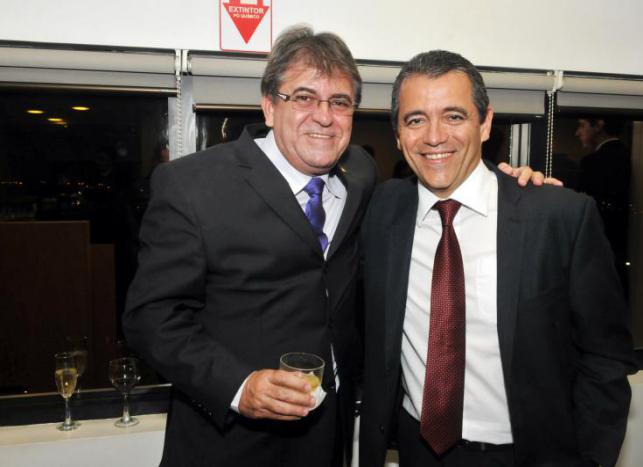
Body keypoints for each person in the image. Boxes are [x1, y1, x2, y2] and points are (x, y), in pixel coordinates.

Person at [123, 26, 547, 467]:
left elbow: (448, 179)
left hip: (330, 436)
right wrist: (239, 386)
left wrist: (511, 185)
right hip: (228, 445)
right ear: (269, 105)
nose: (324, 117)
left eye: (340, 102)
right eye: (304, 97)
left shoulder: (360, 175)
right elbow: (150, 318)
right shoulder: (194, 185)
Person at [360, 51, 637, 467]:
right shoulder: (383, 209)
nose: (434, 137)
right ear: (398, 134)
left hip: (524, 456)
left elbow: (606, 356)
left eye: (454, 116)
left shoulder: (557, 217)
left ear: (485, 123)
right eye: (415, 120)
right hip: (416, 450)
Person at [576, 117, 632, 293]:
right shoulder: (628, 155)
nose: (578, 132)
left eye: (582, 125)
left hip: (599, 247)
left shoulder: (594, 162)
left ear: (599, 125)